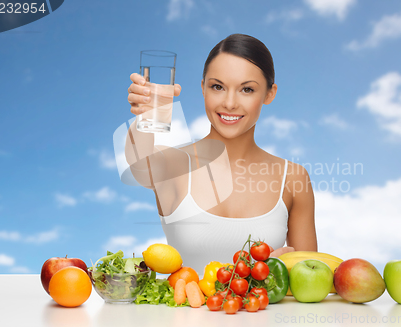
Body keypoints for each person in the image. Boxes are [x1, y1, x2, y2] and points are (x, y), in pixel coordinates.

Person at [125, 34, 317, 273]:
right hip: (181, 309)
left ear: (269, 94)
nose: (229, 103)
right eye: (217, 87)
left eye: (247, 89)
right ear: (203, 88)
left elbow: (310, 279)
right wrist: (143, 114)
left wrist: (279, 271)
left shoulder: (293, 178)